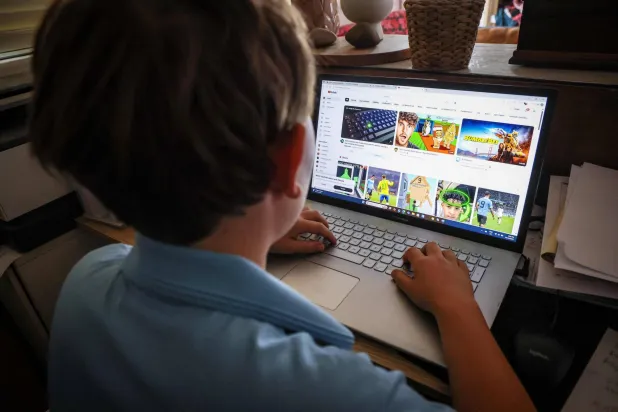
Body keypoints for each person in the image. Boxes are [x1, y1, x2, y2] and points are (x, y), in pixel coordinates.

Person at [29, 1, 536, 411]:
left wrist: (255, 232)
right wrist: (458, 308)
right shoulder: (334, 392)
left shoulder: (86, 282)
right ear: (289, 158)